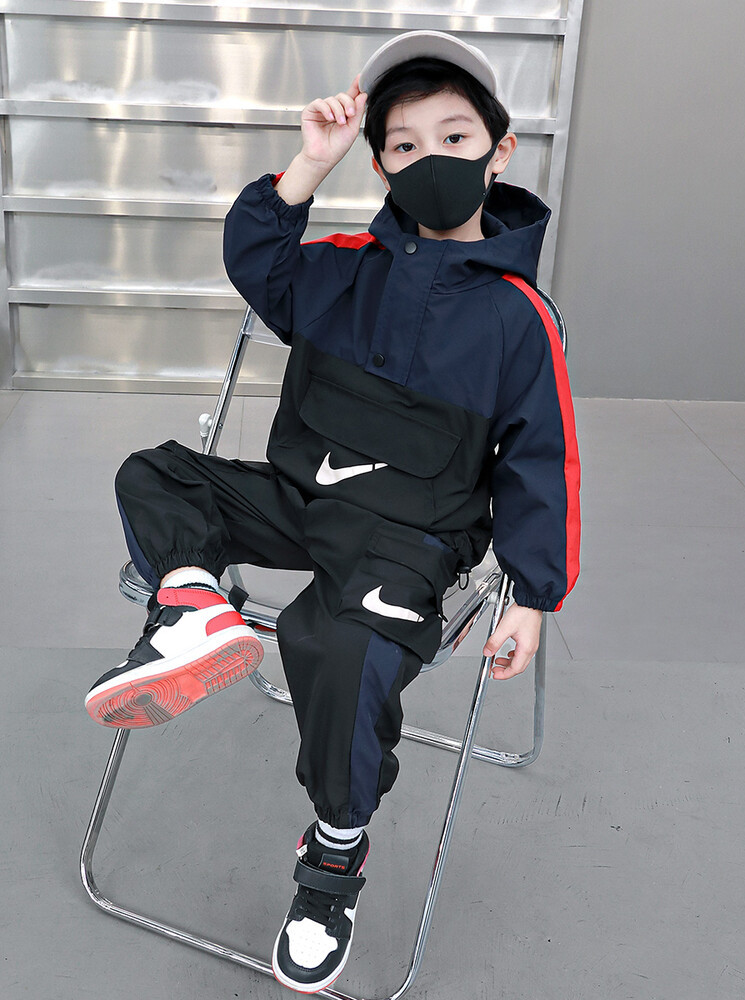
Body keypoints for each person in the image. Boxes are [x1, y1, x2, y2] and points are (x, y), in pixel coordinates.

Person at [84, 29, 580, 994]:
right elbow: (257, 260)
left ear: (501, 150)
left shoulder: (520, 319)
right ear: (379, 164)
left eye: (454, 138)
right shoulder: (343, 266)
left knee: (338, 646)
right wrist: (310, 162)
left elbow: (541, 460)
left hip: (410, 537)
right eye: (403, 145)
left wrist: (531, 595)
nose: (430, 160)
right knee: (159, 474)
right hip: (297, 495)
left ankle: (333, 859)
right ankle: (191, 606)